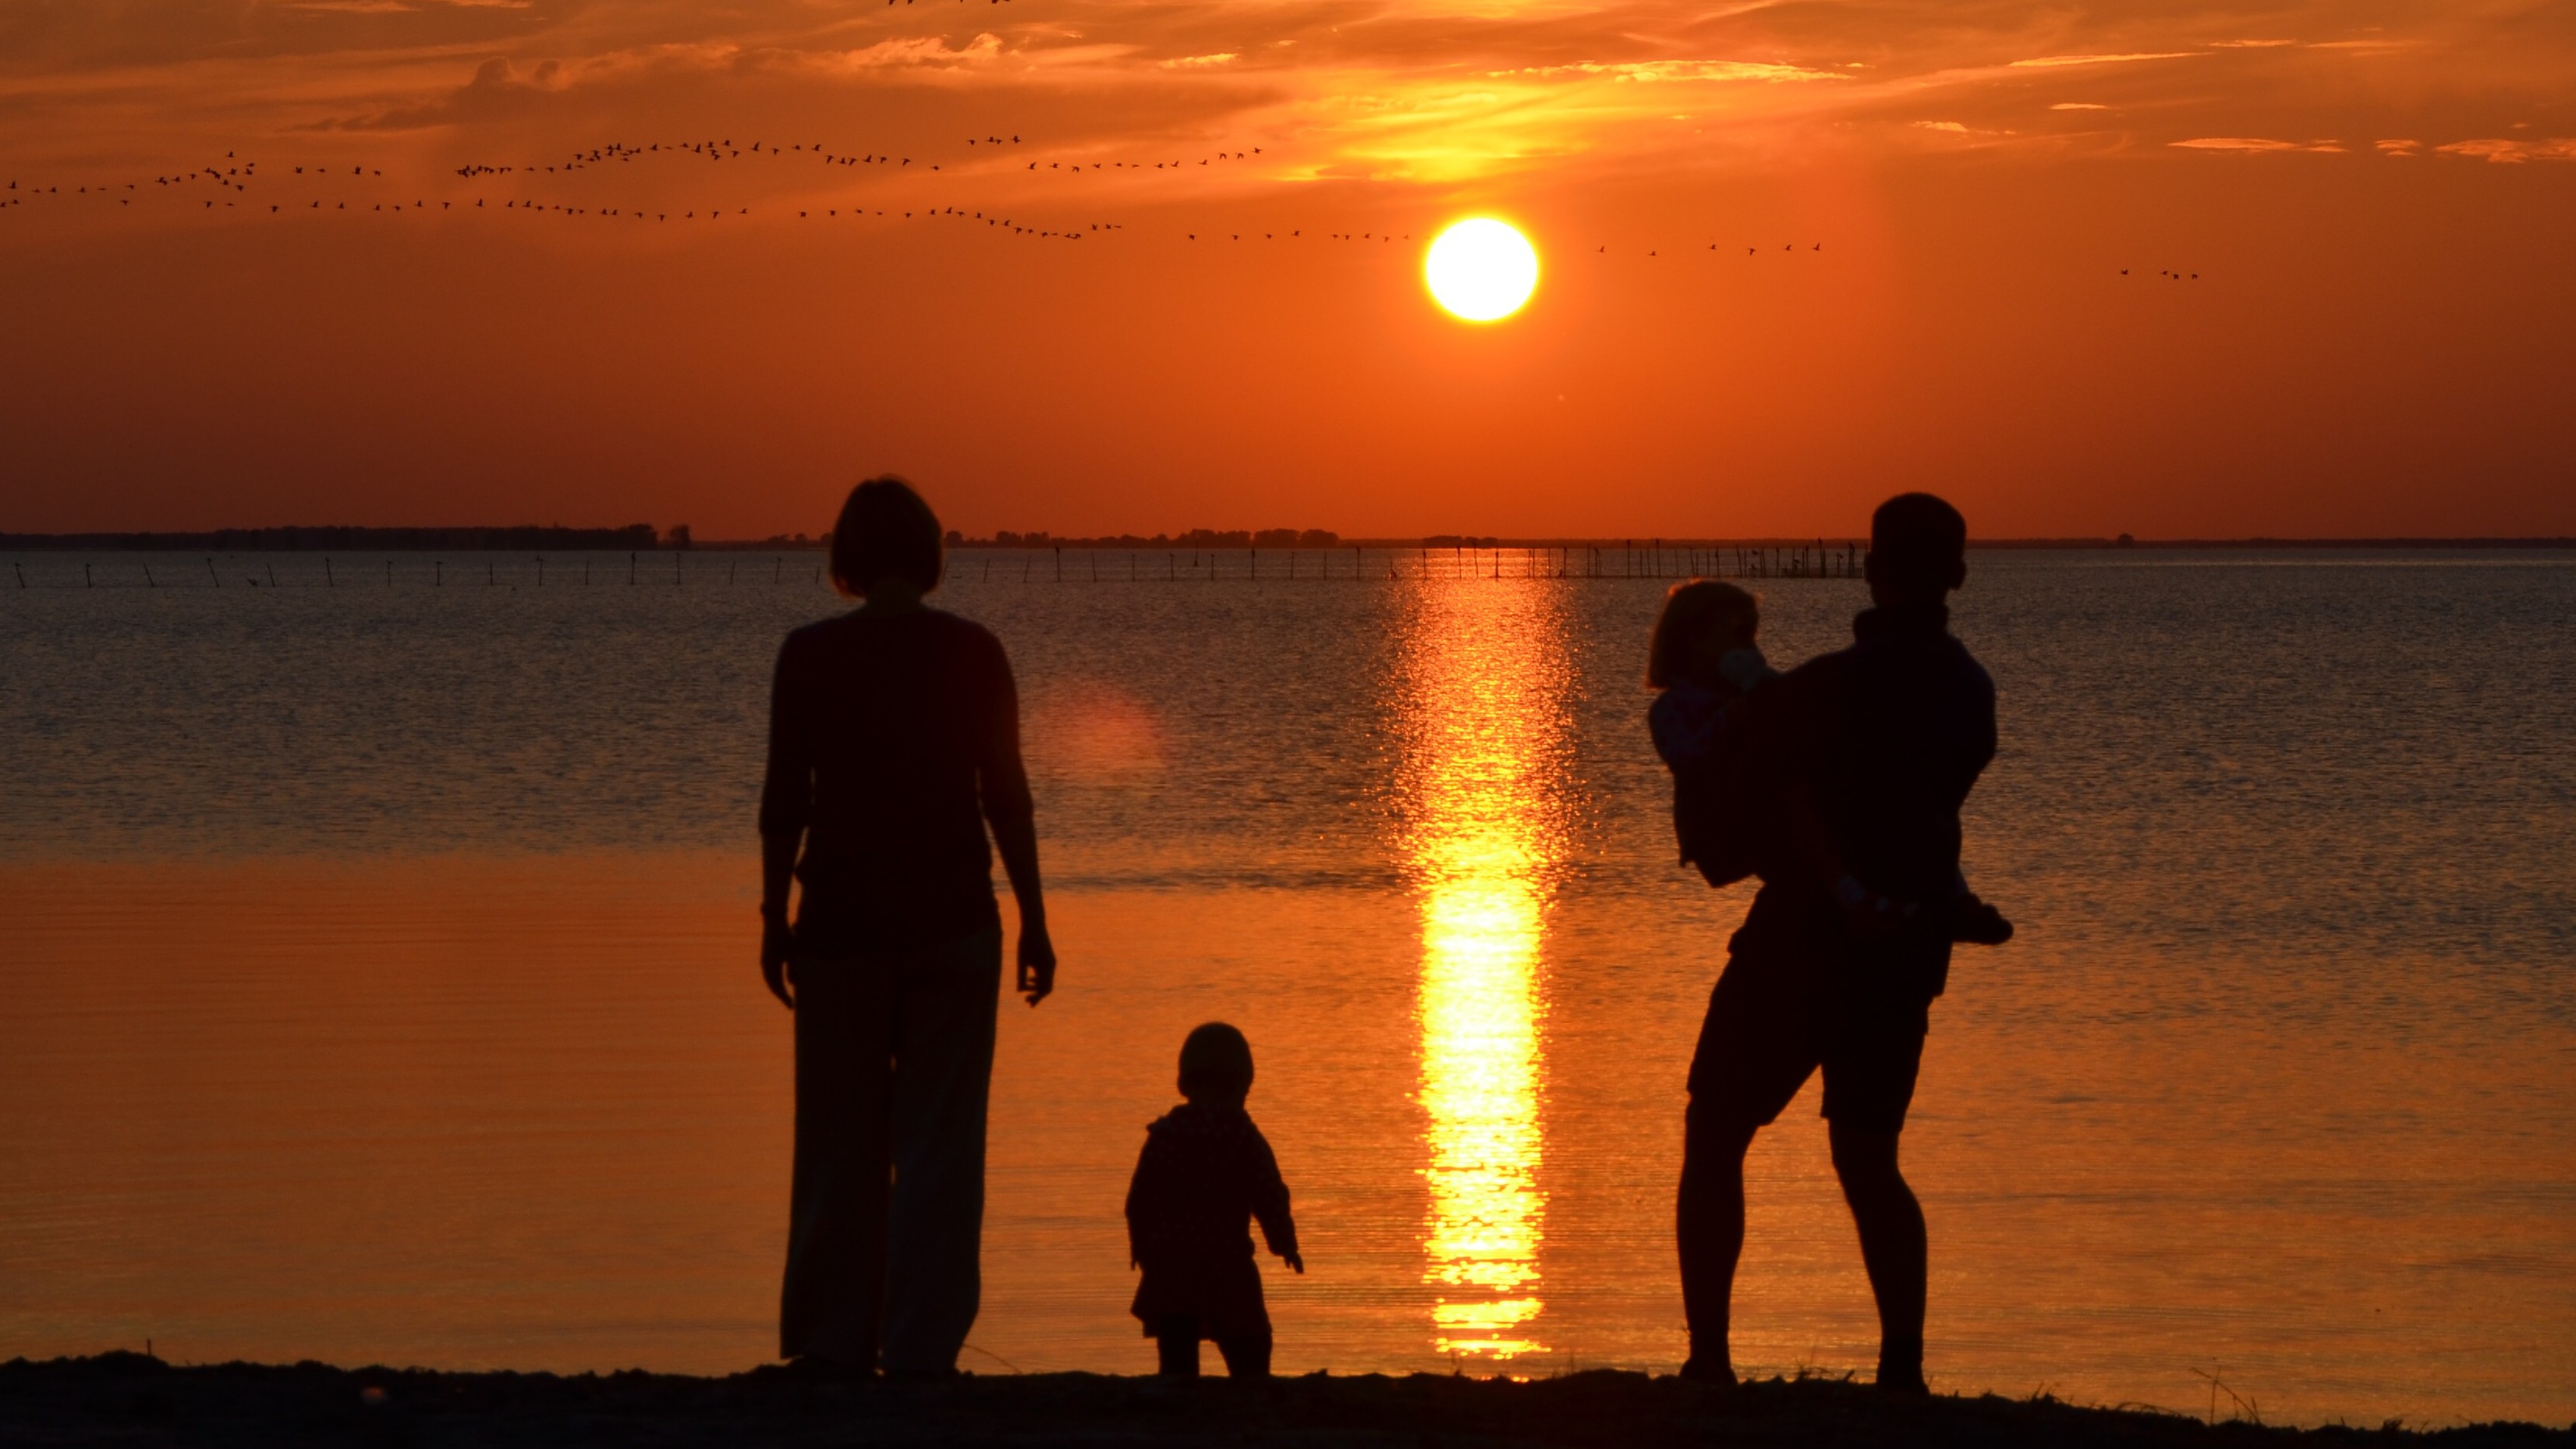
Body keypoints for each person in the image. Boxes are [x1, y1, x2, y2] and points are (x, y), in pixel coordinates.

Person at [1673, 493, 2002, 1394]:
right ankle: (1903, 1368)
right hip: (1907, 943)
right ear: (1958, 574)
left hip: (1802, 938)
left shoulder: (1822, 686)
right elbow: (1934, 806)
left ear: (1871, 567)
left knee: (1715, 1131)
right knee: (1867, 1154)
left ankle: (1710, 1359)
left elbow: (1741, 832)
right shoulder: (1972, 691)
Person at [757, 476, 1057, 1379]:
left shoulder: (808, 656)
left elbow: (785, 803)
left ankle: (831, 1340)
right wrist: (1037, 917)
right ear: (929, 555)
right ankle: (922, 1346)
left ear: (846, 558)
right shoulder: (973, 651)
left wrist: (774, 916)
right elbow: (1004, 795)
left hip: (841, 923)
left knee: (837, 1143)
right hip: (953, 922)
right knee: (940, 1145)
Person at [1647, 578, 2013, 941]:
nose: (1750, 648)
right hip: (1718, 816)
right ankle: (1854, 897)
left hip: (1760, 799)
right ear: (1694, 640)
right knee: (1798, 794)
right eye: (1738, 636)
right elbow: (1687, 758)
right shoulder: (1672, 708)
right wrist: (1733, 717)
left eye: (1752, 637)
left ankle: (1948, 895)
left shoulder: (1741, 694)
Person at [1125, 1022, 1303, 1379]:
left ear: (1186, 1080)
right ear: (1242, 1082)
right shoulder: (1241, 1135)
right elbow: (1269, 1194)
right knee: (1251, 1348)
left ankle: (1180, 1407)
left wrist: (1142, 1249)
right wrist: (1285, 1244)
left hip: (1171, 1269)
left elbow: (1140, 1199)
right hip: (1227, 1267)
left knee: (1177, 1358)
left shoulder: (1166, 1135)